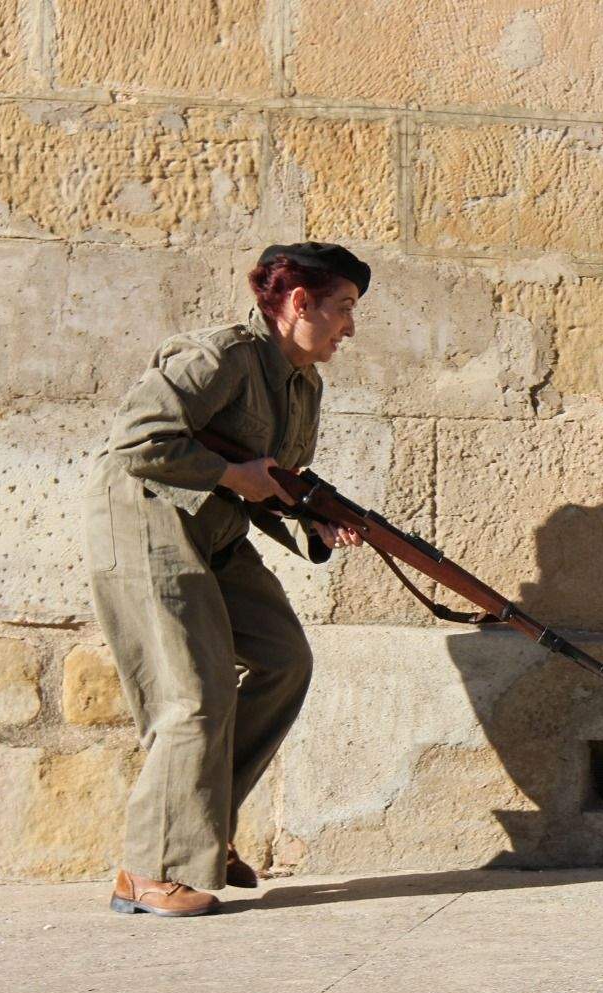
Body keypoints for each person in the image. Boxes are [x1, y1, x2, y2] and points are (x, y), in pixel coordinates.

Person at [83, 242, 370, 916]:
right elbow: (136, 438)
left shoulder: (305, 385)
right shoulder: (222, 356)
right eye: (343, 309)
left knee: (284, 660)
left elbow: (268, 484)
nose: (350, 328)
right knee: (195, 692)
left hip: (213, 531)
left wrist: (315, 522)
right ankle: (155, 868)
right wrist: (228, 476)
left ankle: (200, 832)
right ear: (299, 303)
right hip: (147, 518)